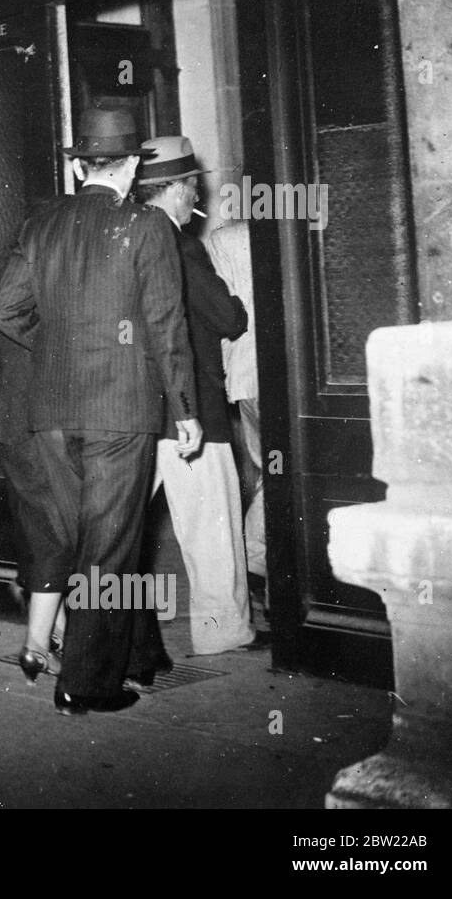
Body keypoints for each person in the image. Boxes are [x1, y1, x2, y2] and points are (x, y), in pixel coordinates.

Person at [0, 109, 202, 715]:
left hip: (50, 410)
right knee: (109, 546)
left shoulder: (42, 225)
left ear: (80, 165)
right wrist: (184, 409)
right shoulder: (147, 226)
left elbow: (5, 311)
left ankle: (133, 658)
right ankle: (84, 684)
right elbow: (165, 323)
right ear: (134, 166)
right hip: (121, 408)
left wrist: (61, 350)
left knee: (81, 536)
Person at [137, 137, 262, 656]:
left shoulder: (126, 234)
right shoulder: (179, 242)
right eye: (192, 187)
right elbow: (229, 317)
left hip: (136, 408)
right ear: (180, 188)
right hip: (193, 408)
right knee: (212, 526)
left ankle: (60, 616)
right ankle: (222, 631)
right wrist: (232, 299)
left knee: (113, 529)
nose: (196, 199)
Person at [0, 221, 67, 682]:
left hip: (8, 416)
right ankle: (35, 645)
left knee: (36, 526)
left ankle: (52, 631)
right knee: (56, 531)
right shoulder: (42, 286)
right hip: (39, 420)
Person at [205, 219, 267, 612]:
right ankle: (255, 556)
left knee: (267, 469)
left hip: (247, 373)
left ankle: (257, 563)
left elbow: (222, 311)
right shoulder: (304, 225)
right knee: (281, 476)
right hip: (288, 374)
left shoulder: (225, 237)